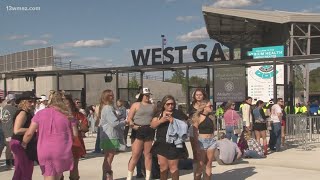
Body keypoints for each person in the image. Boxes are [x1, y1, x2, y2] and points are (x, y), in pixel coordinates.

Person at [22, 90, 77, 180]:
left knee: (48, 175)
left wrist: (24, 144)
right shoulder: (68, 115)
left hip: (44, 150)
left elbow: (29, 133)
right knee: (58, 175)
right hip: (61, 150)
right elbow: (75, 134)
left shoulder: (40, 114)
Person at [150, 95, 189, 180]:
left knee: (173, 168)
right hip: (161, 142)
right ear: (164, 104)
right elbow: (152, 125)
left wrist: (174, 121)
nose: (170, 106)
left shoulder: (178, 113)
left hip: (174, 143)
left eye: (172, 104)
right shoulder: (159, 113)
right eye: (168, 104)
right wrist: (161, 120)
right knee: (163, 168)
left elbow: (185, 125)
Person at [126, 88, 156, 180]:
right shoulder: (136, 105)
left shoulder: (153, 106)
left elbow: (155, 117)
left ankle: (147, 177)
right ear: (141, 95)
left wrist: (154, 124)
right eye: (145, 95)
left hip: (149, 130)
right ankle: (129, 177)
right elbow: (129, 118)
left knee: (148, 155)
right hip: (138, 129)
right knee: (135, 154)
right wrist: (132, 125)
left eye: (148, 95)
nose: (147, 96)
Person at [10, 91, 40, 180]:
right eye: (30, 101)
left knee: (20, 171)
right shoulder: (22, 113)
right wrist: (34, 129)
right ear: (23, 102)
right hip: (20, 143)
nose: (33, 104)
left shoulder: (27, 112)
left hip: (22, 143)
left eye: (34, 101)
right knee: (26, 171)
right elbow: (17, 130)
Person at [98, 89, 127, 180]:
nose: (113, 97)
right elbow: (114, 123)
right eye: (110, 95)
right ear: (106, 97)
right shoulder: (108, 108)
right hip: (110, 137)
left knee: (108, 158)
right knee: (108, 159)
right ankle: (107, 177)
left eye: (112, 95)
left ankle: (106, 177)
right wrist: (125, 122)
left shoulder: (107, 107)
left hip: (109, 136)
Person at [65, 95, 88, 180]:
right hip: (61, 144)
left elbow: (85, 128)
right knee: (59, 169)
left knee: (74, 167)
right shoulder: (58, 114)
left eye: (67, 103)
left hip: (75, 142)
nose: (66, 105)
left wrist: (78, 124)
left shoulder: (78, 115)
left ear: (71, 104)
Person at [192, 99, 216, 180]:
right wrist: (196, 146)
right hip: (202, 141)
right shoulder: (198, 118)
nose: (211, 107)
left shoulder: (211, 117)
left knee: (209, 164)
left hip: (212, 141)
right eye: (210, 106)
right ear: (204, 107)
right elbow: (195, 133)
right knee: (201, 165)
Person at [188, 88, 208, 176]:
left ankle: (204, 172)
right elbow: (190, 118)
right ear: (194, 96)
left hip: (204, 129)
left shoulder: (207, 104)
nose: (199, 96)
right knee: (195, 152)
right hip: (193, 129)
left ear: (203, 95)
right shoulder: (191, 106)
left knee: (205, 152)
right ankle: (196, 173)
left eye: (200, 94)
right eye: (197, 95)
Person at [0, 94, 18, 169]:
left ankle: (9, 164)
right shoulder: (14, 109)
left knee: (2, 148)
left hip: (2, 130)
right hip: (9, 131)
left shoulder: (4, 108)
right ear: (13, 100)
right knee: (10, 148)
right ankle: (9, 164)